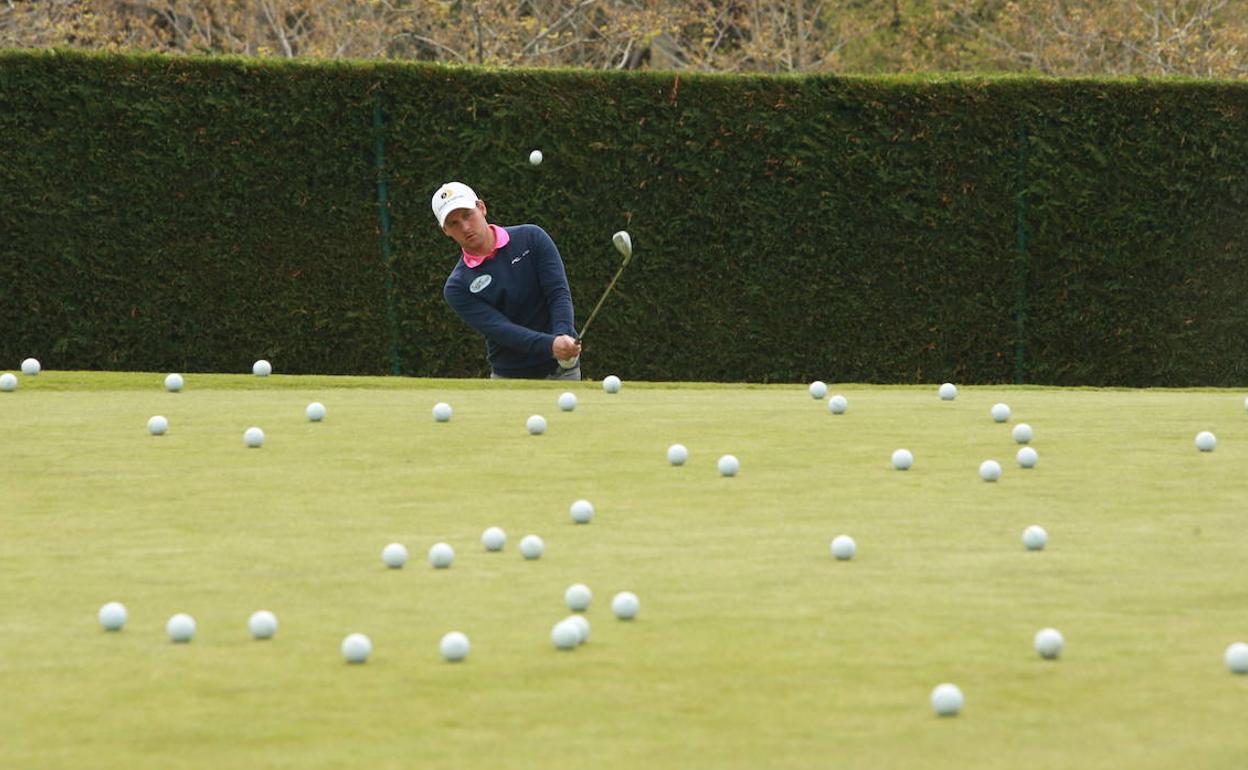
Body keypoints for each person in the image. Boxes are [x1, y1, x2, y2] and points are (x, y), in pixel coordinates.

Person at [434, 182, 582, 379]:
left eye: (467, 215)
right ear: (445, 230)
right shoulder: (457, 286)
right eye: (453, 223)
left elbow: (558, 294)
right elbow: (500, 329)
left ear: (481, 208)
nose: (465, 227)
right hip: (510, 377)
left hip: (562, 370)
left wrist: (564, 337)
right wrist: (551, 345)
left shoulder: (532, 237)